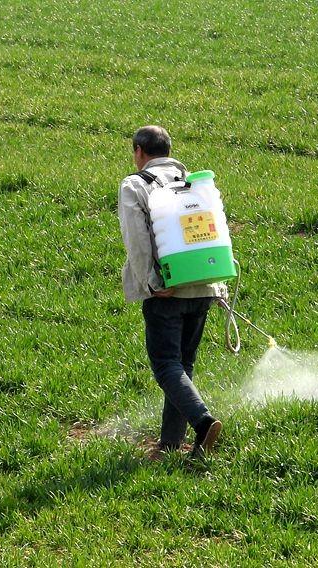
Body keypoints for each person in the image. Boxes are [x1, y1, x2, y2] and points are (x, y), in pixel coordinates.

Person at [117, 125, 224, 460]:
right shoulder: (195, 182)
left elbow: (137, 241)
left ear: (139, 151)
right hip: (205, 284)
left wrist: (151, 283)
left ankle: (203, 423)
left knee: (165, 365)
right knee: (183, 366)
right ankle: (171, 444)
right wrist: (217, 284)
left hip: (168, 291)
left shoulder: (135, 185)